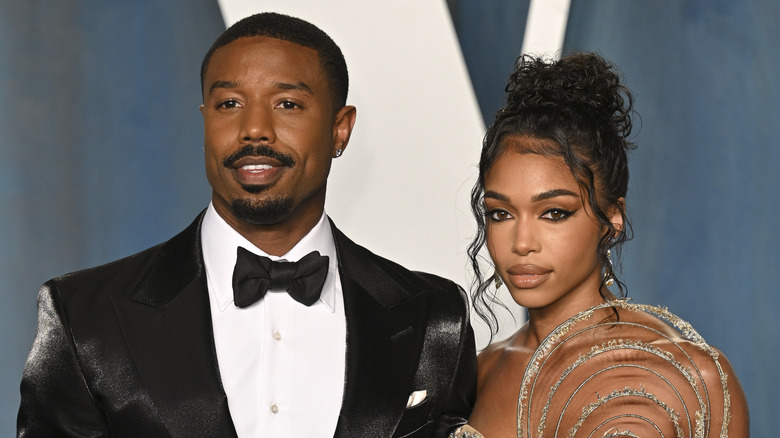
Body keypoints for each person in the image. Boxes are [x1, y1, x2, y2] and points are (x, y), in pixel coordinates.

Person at [18, 12, 476, 437]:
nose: (254, 128)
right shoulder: (83, 316)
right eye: (230, 103)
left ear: (341, 129)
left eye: (288, 104)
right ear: (204, 122)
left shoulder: (434, 316)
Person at [451, 53, 748, 437]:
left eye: (554, 213)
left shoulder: (695, 376)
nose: (521, 243)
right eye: (501, 214)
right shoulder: (479, 375)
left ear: (612, 219)